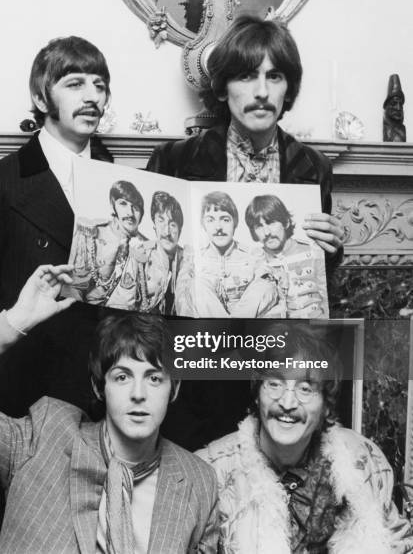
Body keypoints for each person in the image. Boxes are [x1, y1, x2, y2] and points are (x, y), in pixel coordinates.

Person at [0, 265, 219, 554]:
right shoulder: (42, 439)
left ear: (174, 388)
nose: (138, 394)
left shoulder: (198, 481)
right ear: (99, 387)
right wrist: (16, 320)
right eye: (122, 377)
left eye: (154, 378)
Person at [0, 36, 114, 417]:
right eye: (74, 84)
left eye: (99, 85)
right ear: (41, 99)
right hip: (24, 403)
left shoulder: (123, 185)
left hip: (106, 399)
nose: (92, 97)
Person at [196, 322, 413, 553]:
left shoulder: (363, 459)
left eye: (305, 389)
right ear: (258, 394)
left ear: (326, 405)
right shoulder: (209, 471)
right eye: (275, 384)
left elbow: (399, 544)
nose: (288, 404)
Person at [147, 15, 343, 267]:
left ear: (288, 88)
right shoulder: (172, 159)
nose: (262, 92)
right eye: (247, 76)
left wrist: (332, 248)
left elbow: (314, 266)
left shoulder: (315, 166)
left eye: (274, 77)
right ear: (222, 87)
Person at [176, 191, 277, 317]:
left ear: (235, 223)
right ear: (203, 225)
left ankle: (231, 329)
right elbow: (182, 305)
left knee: (265, 285)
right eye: (210, 220)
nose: (218, 227)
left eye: (225, 219)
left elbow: (269, 296)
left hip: (247, 330)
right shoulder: (193, 257)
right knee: (195, 286)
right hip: (208, 331)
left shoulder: (253, 255)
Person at [70, 180, 149, 310]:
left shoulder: (148, 248)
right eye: (123, 204)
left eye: (136, 207)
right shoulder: (90, 236)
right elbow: (74, 287)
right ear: (113, 207)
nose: (130, 212)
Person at [245, 194, 328, 318]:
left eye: (271, 223)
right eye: (259, 226)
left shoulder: (313, 252)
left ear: (286, 222)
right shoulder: (253, 260)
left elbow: (327, 302)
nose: (266, 232)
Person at [143, 191, 187, 314]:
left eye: (172, 224)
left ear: (180, 230)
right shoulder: (141, 257)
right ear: (154, 226)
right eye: (161, 221)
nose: (166, 232)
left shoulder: (190, 261)